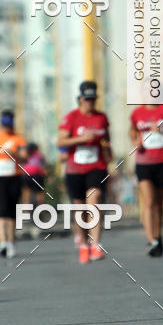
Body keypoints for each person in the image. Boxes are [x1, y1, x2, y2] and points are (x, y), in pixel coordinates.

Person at [58, 81, 112, 264]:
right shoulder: (71, 117)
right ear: (80, 99)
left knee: (94, 201)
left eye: (93, 99)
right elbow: (61, 142)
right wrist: (82, 138)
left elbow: (107, 139)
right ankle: (83, 244)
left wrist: (107, 149)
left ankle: (95, 245)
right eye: (87, 99)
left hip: (97, 166)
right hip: (75, 169)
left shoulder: (101, 118)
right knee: (79, 208)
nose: (90, 103)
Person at [129, 94, 163, 257]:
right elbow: (132, 130)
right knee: (149, 201)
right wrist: (135, 141)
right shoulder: (137, 113)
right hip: (143, 163)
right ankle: (151, 239)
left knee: (159, 204)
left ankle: (158, 235)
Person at [0, 109, 26, 258]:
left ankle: (11, 242)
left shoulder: (18, 139)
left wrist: (13, 153)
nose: (7, 128)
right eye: (5, 125)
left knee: (11, 210)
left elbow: (24, 158)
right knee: (1, 208)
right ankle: (2, 242)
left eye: (9, 125)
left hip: (13, 177)